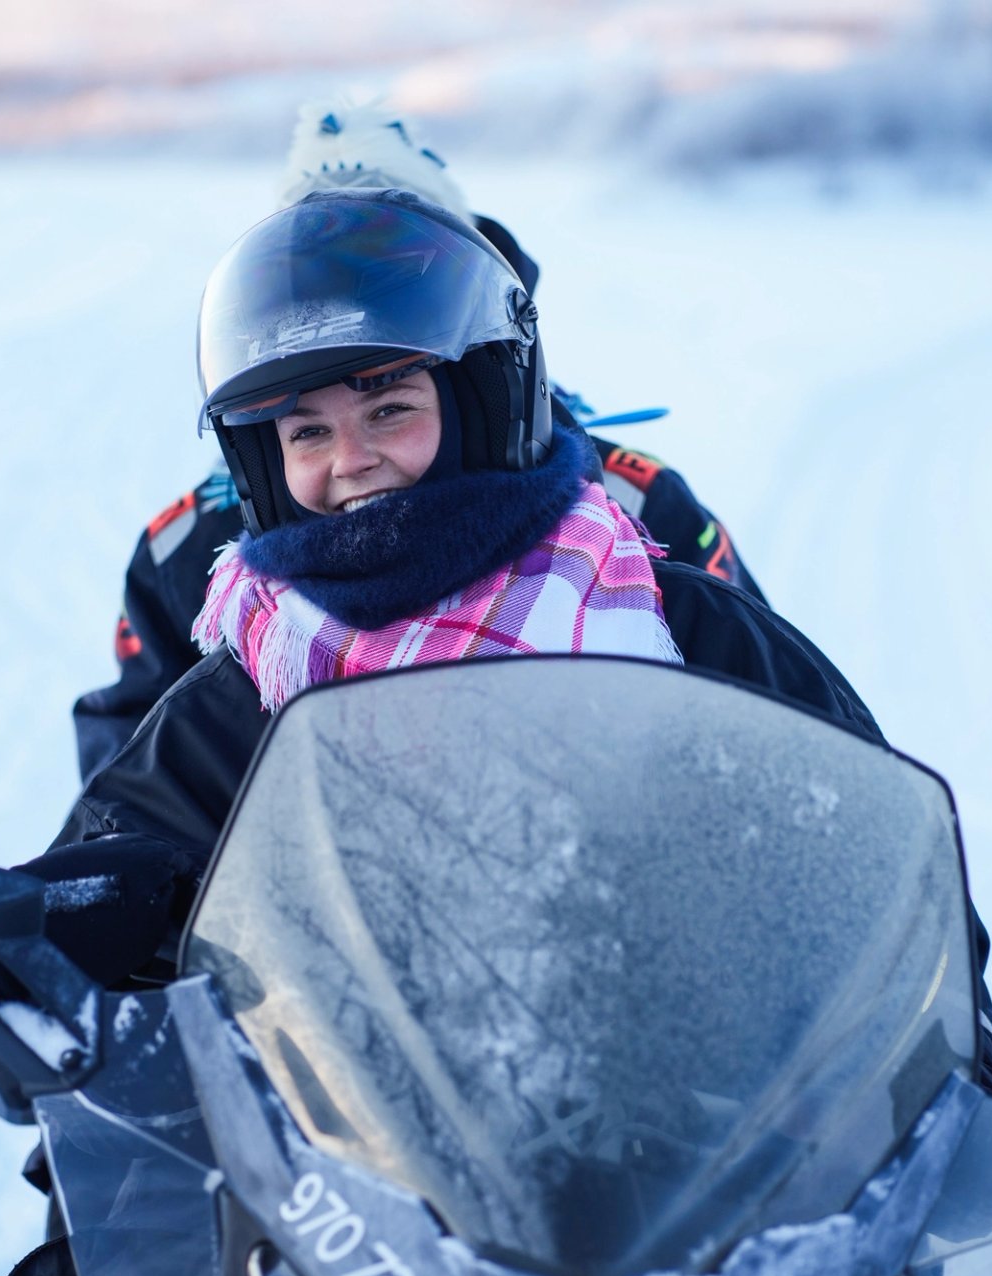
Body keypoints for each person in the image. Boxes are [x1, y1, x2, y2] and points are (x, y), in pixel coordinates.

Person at [21, 188, 992, 1105]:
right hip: (352, 1165)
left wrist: (950, 1110)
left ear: (479, 403)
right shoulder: (243, 693)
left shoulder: (679, 628)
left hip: (693, 1135)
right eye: (306, 433)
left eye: (389, 409)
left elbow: (881, 883)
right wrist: (68, 942)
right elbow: (99, 925)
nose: (351, 460)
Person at [72, 96, 761, 784]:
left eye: (398, 274)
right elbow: (140, 777)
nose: (350, 460)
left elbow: (769, 729)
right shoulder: (199, 552)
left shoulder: (628, 515)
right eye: (318, 280)